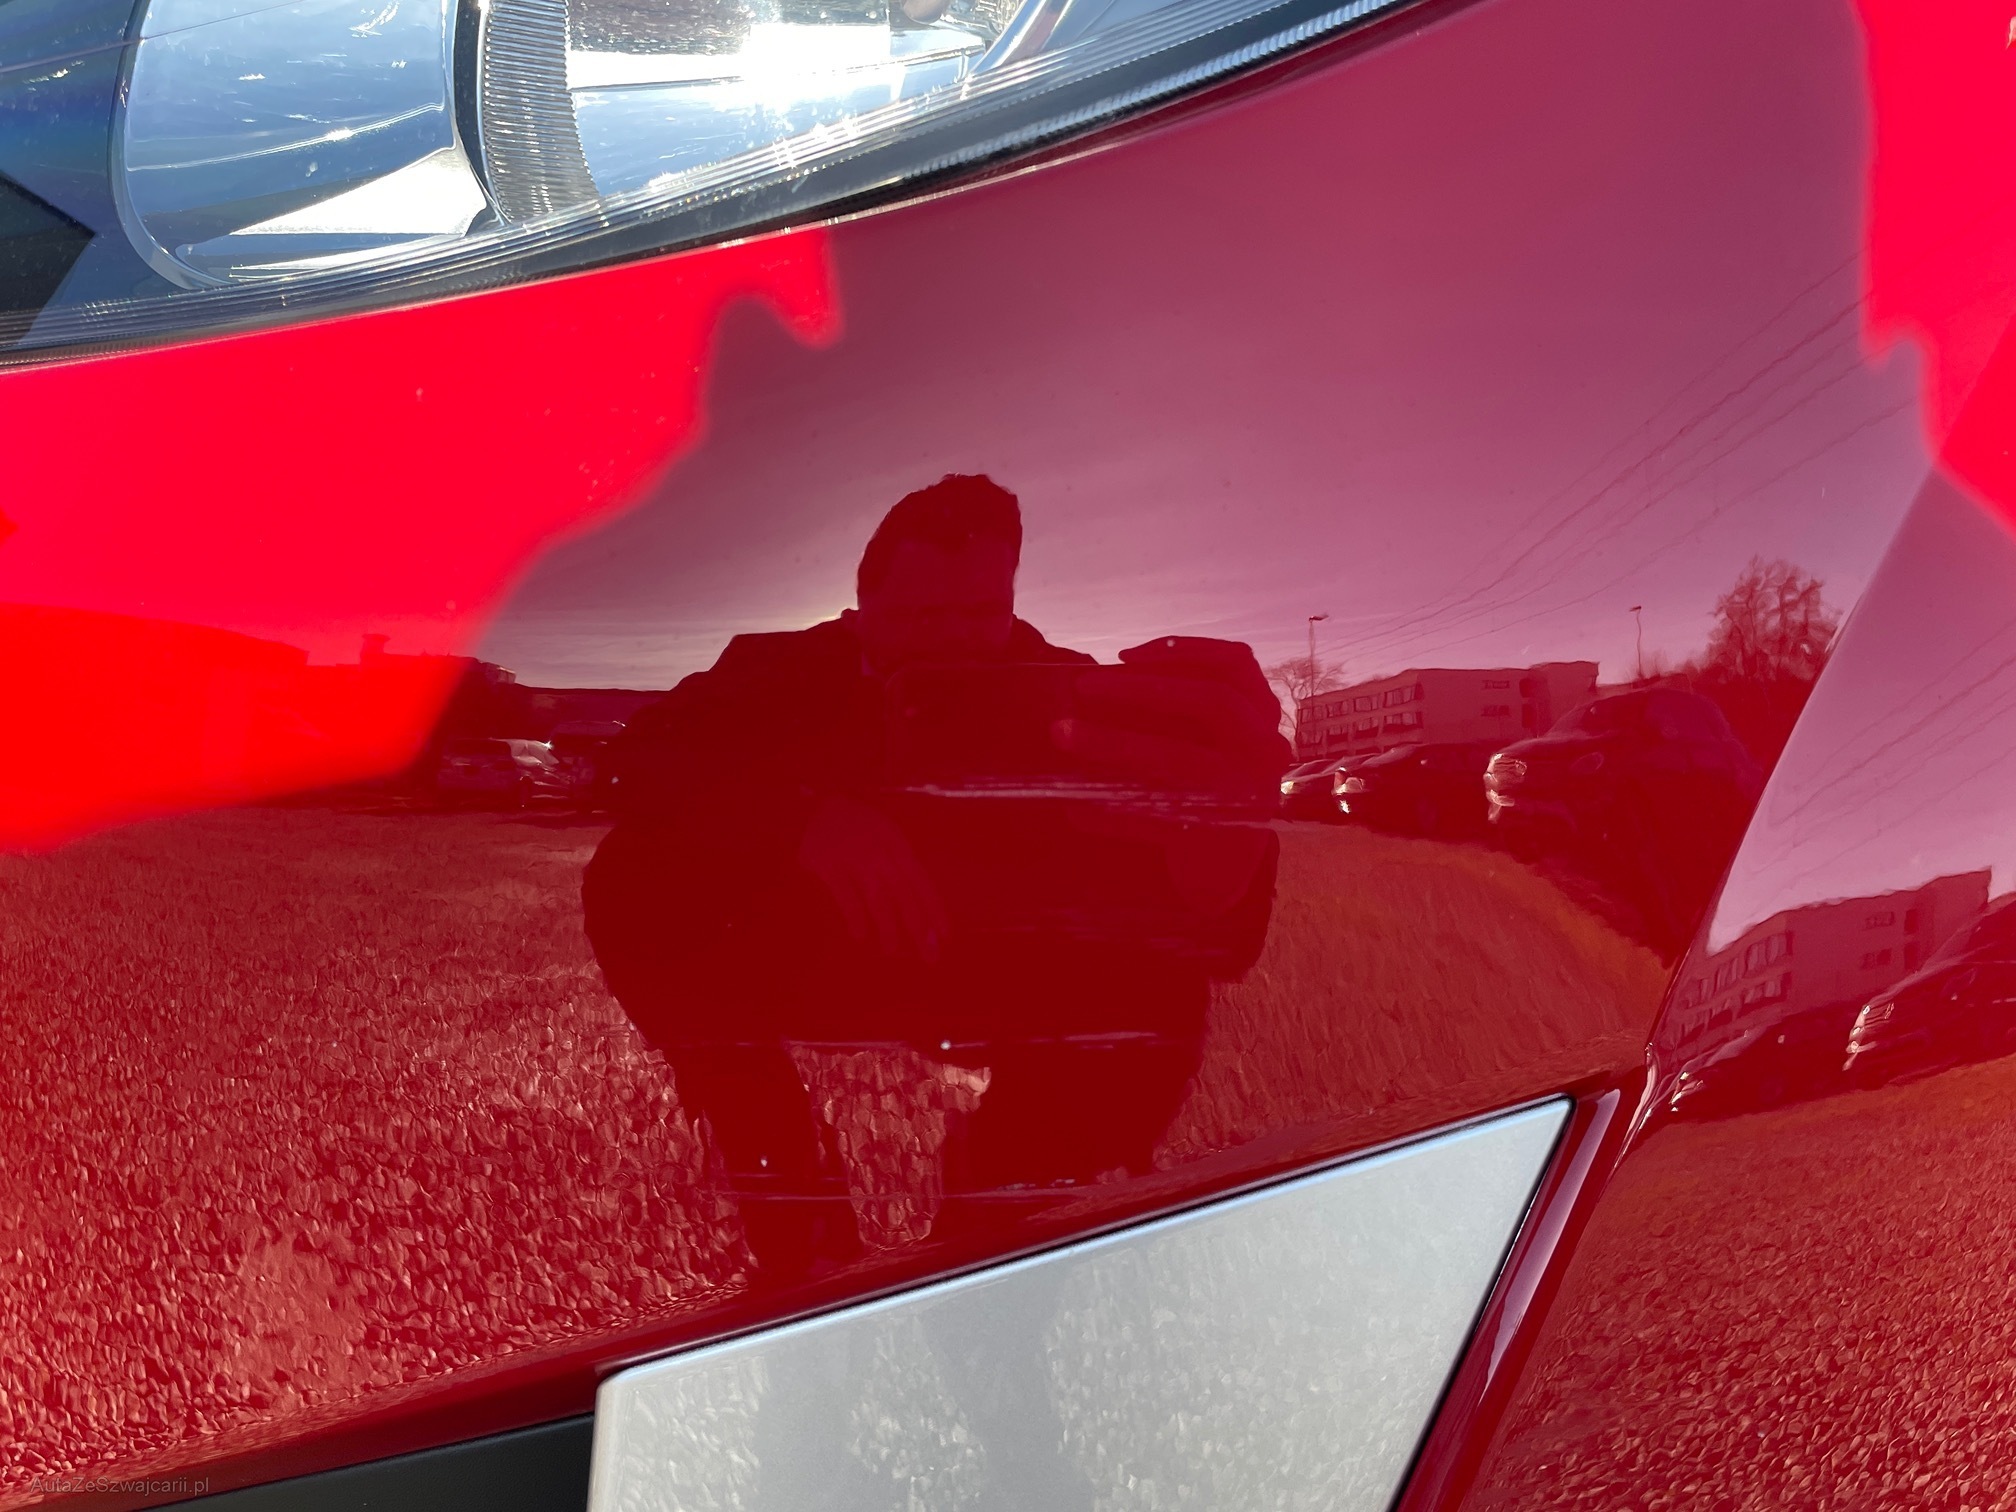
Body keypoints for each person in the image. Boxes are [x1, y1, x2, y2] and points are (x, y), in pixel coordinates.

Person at [583, 473, 1286, 1280]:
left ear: (1011, 601)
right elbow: (632, 764)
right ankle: (781, 1170)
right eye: (922, 618)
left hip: (1002, 962)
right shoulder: (778, 670)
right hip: (817, 946)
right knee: (632, 875)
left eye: (981, 613)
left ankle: (1004, 1211)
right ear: (863, 608)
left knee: (1156, 989)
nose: (954, 641)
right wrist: (799, 818)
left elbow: (1204, 929)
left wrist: (1219, 864)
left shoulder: (1064, 691)